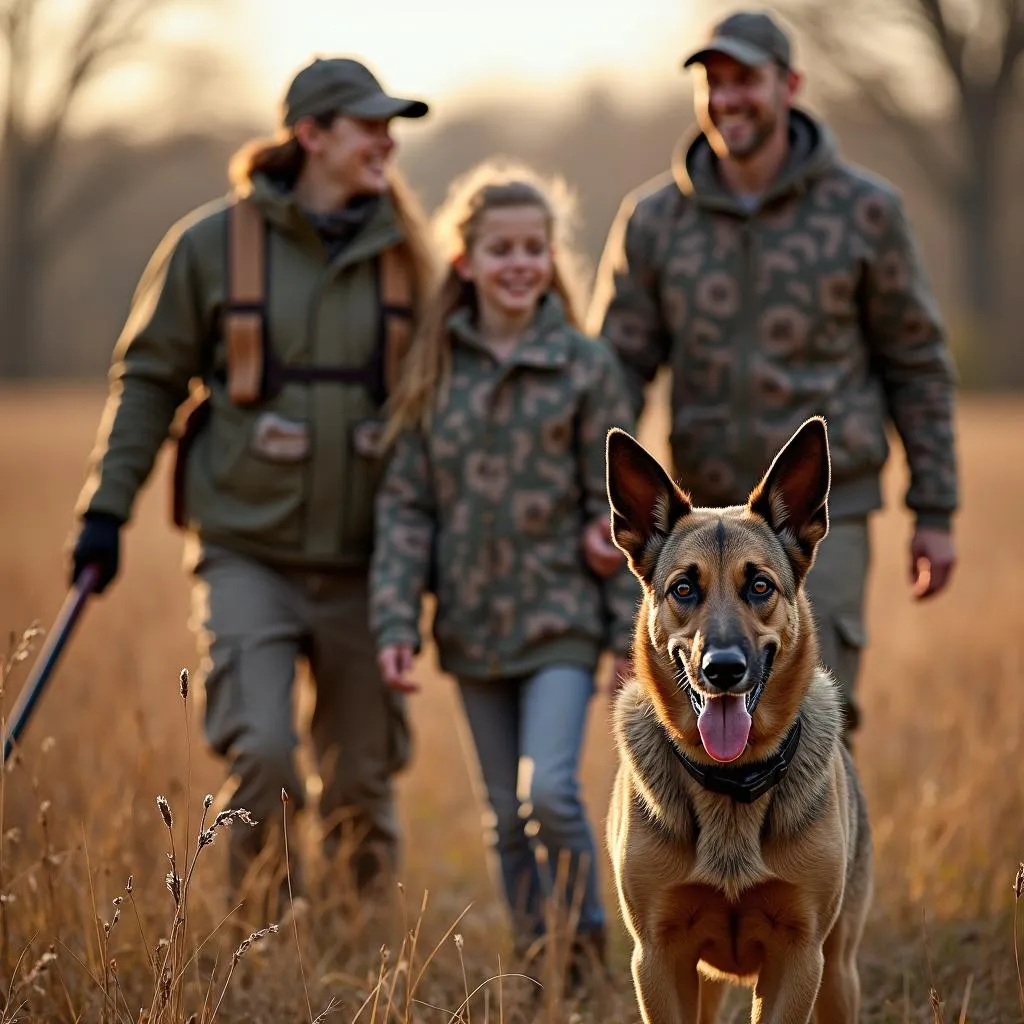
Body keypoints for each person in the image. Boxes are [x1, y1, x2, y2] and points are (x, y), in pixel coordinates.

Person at [68, 56, 436, 913]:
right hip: (246, 554)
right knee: (263, 752)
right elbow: (149, 379)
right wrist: (105, 509)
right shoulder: (209, 244)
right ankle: (263, 947)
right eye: (368, 126)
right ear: (311, 135)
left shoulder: (413, 256)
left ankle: (358, 951)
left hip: (368, 565)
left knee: (362, 777)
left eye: (393, 127)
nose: (387, 142)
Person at [585, 9, 959, 745]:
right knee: (693, 723)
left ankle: (818, 866)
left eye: (746, 80)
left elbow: (915, 361)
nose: (728, 99)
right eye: (713, 83)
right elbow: (613, 370)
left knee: (820, 719)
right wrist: (589, 502)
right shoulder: (653, 220)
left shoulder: (865, 211)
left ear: (789, 85)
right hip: (695, 523)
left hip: (822, 512)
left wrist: (936, 508)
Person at [369, 161, 639, 986]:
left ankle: (589, 935)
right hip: (472, 628)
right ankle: (537, 957)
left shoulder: (586, 369)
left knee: (549, 791)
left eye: (534, 247)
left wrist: (626, 629)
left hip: (560, 622)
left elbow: (624, 515)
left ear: (551, 256)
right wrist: (393, 622)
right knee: (503, 819)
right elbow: (406, 506)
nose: (520, 263)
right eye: (501, 249)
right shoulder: (432, 369)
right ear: (466, 262)